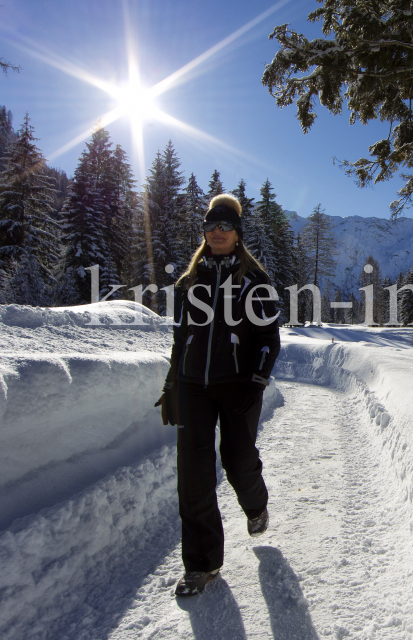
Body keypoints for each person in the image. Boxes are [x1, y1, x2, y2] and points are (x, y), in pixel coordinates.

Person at [155, 193, 281, 597]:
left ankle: (256, 504)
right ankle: (202, 564)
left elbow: (268, 339)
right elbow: (182, 338)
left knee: (237, 458)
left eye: (225, 226)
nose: (217, 233)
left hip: (239, 385)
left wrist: (257, 382)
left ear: (238, 233)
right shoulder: (188, 282)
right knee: (192, 474)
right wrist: (172, 383)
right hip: (194, 386)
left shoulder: (255, 281)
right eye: (210, 226)